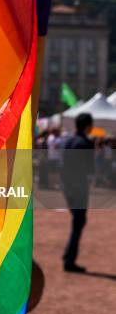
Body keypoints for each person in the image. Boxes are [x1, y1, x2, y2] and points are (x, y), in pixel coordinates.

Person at [61, 112, 95, 273]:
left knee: (78, 220)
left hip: (67, 185)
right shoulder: (86, 142)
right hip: (79, 186)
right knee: (79, 221)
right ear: (88, 126)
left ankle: (68, 254)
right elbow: (90, 168)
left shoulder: (67, 141)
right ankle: (69, 260)